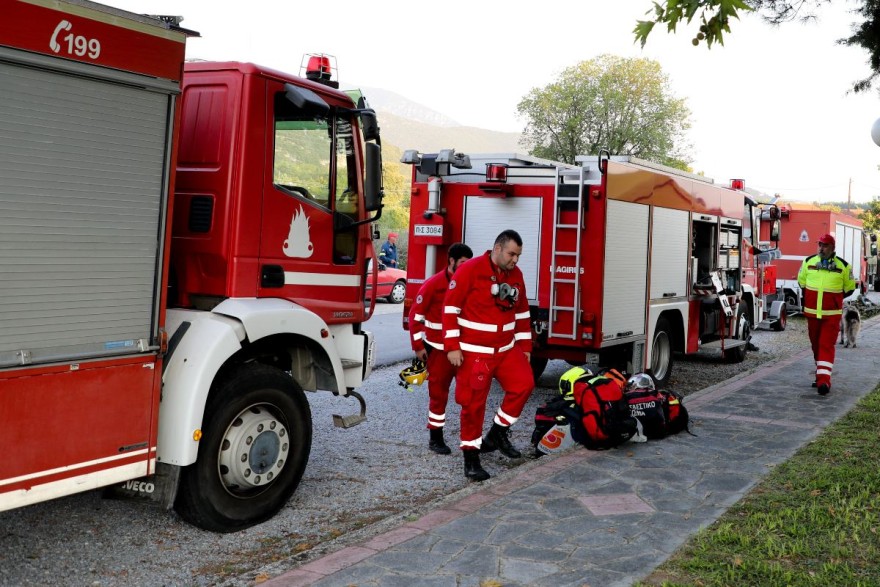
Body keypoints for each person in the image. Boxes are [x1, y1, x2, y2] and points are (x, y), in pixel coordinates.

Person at [442, 229, 534, 481]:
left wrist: (525, 347)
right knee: (472, 406)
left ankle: (497, 433)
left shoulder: (516, 275)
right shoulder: (470, 270)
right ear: (497, 248)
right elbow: (450, 309)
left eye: (518, 255)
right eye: (512, 254)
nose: (515, 259)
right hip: (475, 353)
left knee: (524, 384)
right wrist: (452, 346)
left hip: (506, 350)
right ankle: (471, 459)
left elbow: (523, 313)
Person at [408, 243, 474, 455]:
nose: (466, 268)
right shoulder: (434, 284)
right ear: (451, 261)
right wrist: (419, 347)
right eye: (462, 263)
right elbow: (415, 317)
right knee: (438, 395)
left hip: (465, 351)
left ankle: (472, 441)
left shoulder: (470, 284)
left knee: (471, 395)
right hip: (439, 351)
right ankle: (435, 438)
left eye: (469, 264)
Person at [797, 233, 856, 396]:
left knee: (825, 345)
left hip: (831, 315)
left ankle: (824, 381)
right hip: (812, 313)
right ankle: (820, 374)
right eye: (820, 245)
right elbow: (801, 282)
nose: (821, 248)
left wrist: (834, 300)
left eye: (825, 246)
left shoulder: (843, 266)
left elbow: (850, 287)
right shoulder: (808, 262)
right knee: (816, 345)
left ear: (832, 248)